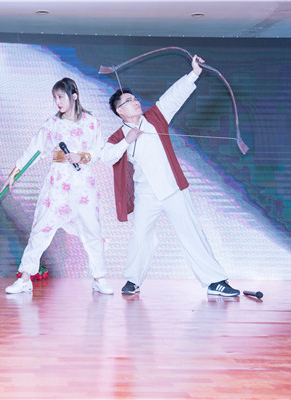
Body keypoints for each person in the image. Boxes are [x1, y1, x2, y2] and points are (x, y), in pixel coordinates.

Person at [102, 55, 240, 297]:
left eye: (135, 98)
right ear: (119, 111)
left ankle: (215, 281)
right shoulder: (117, 136)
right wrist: (127, 141)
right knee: (140, 237)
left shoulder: (155, 117)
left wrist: (194, 73)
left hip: (173, 188)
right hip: (146, 195)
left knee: (192, 233)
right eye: (129, 101)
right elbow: (106, 157)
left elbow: (173, 96)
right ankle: (133, 280)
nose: (136, 102)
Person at [3, 77, 113, 295]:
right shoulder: (52, 124)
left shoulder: (91, 122)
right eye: (55, 98)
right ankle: (25, 278)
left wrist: (81, 156)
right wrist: (14, 173)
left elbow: (99, 150)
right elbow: (34, 150)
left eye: (61, 97)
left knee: (92, 230)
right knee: (41, 229)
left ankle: (99, 278)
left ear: (75, 95)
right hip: (57, 183)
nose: (58, 102)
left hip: (83, 185)